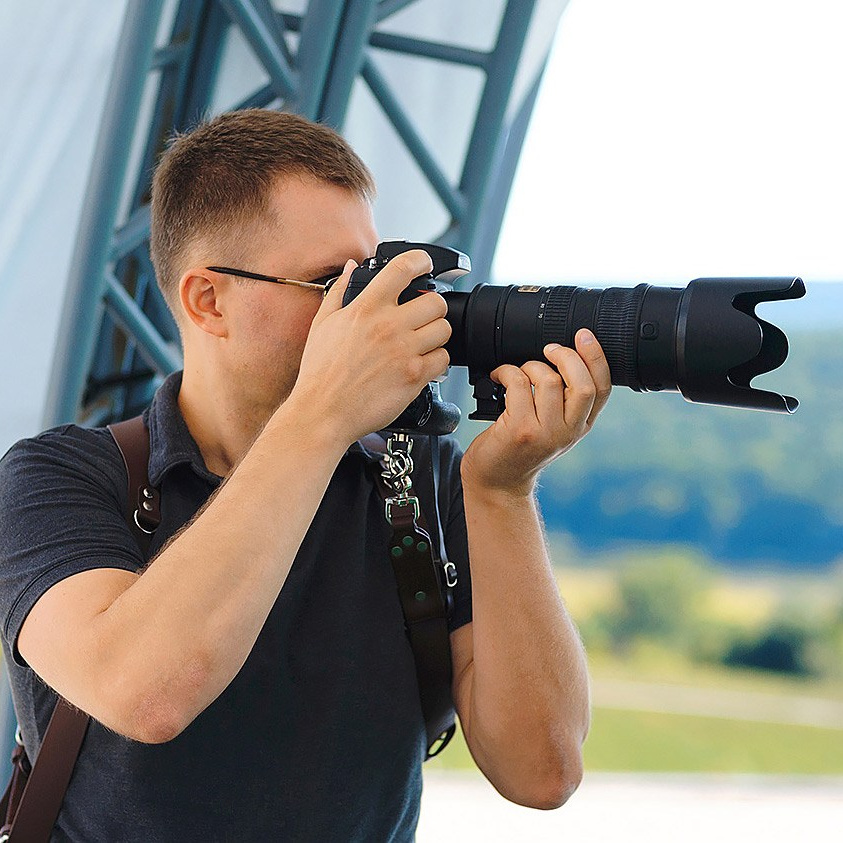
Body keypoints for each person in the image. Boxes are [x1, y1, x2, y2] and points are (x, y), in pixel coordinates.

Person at [0, 109, 612, 841]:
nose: (366, 313)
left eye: (371, 277)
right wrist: (323, 413)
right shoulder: (60, 477)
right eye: (330, 283)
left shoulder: (418, 486)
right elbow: (145, 692)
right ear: (208, 300)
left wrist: (501, 491)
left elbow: (541, 771)